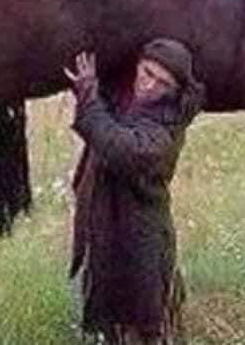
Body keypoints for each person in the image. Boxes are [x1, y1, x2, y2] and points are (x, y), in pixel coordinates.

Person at [64, 39, 205, 344]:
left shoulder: (166, 128)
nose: (149, 85)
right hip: (109, 227)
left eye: (162, 83)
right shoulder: (128, 102)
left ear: (175, 91)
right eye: (147, 72)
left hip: (141, 236)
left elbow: (125, 150)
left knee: (145, 318)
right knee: (113, 314)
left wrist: (88, 97)